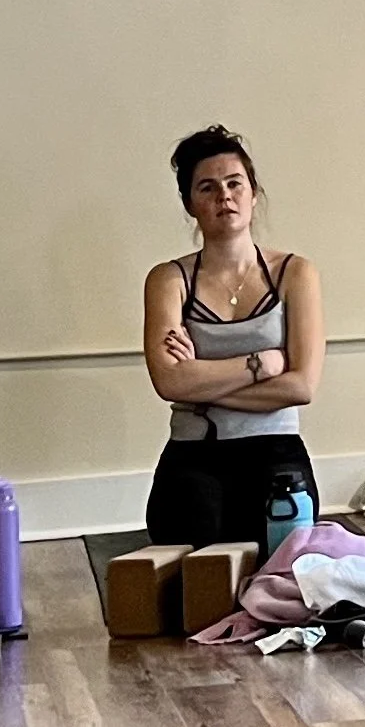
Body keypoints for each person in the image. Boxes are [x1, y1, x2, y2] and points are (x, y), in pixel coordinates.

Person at [140, 128, 324, 547]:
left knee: (282, 562)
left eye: (234, 183)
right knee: (199, 558)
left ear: (253, 193)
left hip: (276, 449)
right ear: (190, 204)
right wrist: (260, 364)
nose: (224, 196)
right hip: (194, 452)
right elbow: (168, 382)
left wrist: (200, 386)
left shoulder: (295, 273)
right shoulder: (168, 279)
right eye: (207, 187)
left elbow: (302, 386)